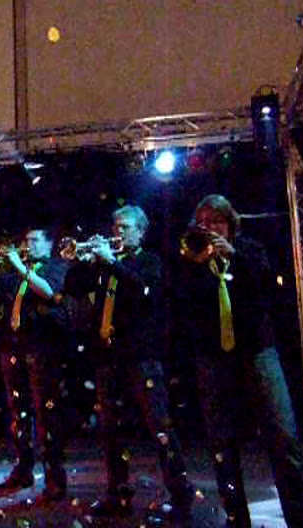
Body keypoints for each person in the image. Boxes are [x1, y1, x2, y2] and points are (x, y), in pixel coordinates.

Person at [174, 194, 303, 528]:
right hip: (213, 357)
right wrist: (195, 267)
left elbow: (268, 291)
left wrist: (234, 258)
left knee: (283, 438)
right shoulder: (191, 259)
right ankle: (236, 518)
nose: (209, 228)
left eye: (216, 221)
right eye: (202, 222)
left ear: (230, 224)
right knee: (221, 443)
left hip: (256, 351)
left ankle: (302, 520)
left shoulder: (251, 251)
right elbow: (182, 306)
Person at [64, 205, 195, 519]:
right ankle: (117, 494)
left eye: (124, 227)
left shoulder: (149, 261)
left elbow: (146, 293)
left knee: (159, 426)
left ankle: (180, 496)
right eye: (115, 226)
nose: (117, 232)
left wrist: (112, 263)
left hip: (141, 356)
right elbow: (72, 288)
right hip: (107, 357)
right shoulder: (104, 265)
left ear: (141, 231)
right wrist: (84, 261)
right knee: (111, 430)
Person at [0, 228, 69, 501]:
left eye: (34, 240)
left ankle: (54, 477)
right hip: (13, 347)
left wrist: (20, 267)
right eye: (26, 240)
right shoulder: (17, 273)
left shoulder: (56, 266)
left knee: (46, 413)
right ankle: (23, 469)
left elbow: (48, 292)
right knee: (18, 412)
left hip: (42, 348)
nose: (28, 244)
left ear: (49, 244)